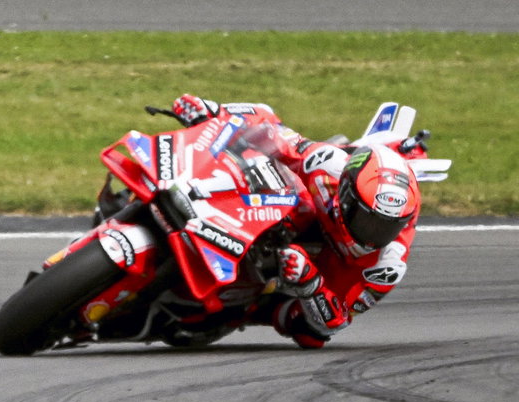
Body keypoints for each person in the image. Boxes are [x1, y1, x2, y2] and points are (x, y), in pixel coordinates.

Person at [165, 94, 423, 349]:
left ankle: (240, 306)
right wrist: (213, 111)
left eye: (386, 227)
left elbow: (335, 322)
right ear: (346, 196)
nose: (372, 235)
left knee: (306, 332)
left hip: (326, 271)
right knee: (262, 163)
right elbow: (270, 126)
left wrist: (310, 282)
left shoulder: (385, 268)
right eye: (367, 221)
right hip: (296, 214)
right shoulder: (326, 165)